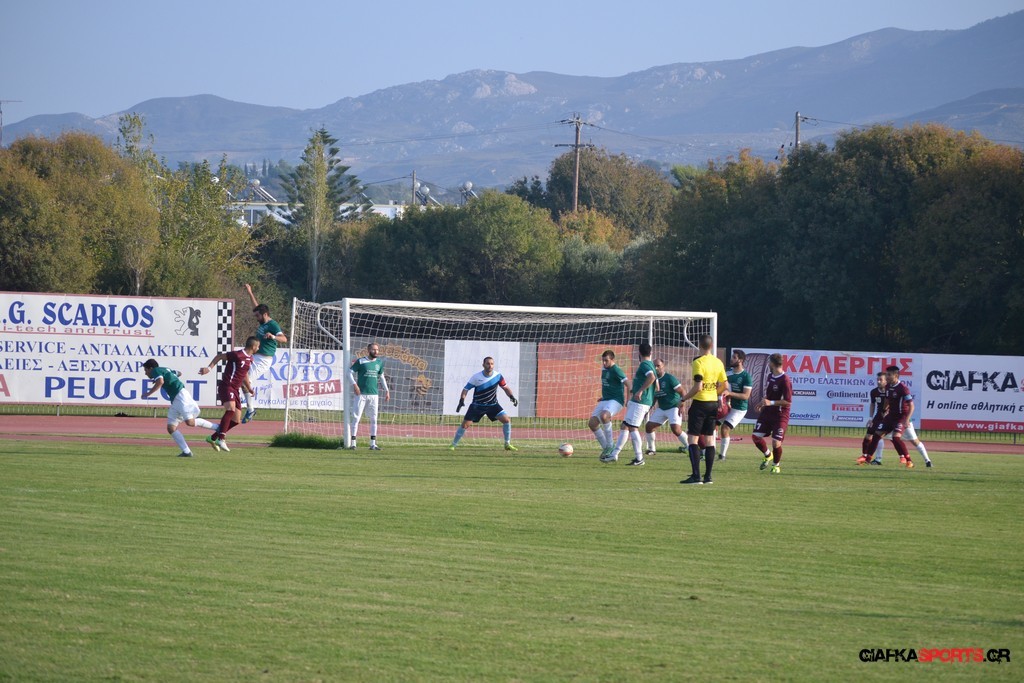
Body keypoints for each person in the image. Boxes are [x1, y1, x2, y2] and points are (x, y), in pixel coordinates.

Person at [142, 359, 220, 457]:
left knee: (190, 422)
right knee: (171, 427)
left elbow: (160, 381)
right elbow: (179, 373)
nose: (145, 373)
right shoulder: (165, 369)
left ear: (151, 368)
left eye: (146, 370)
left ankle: (218, 427)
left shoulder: (156, 370)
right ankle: (186, 452)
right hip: (175, 400)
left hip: (180, 396)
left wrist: (148, 393)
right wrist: (169, 377)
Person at [679, 334, 729, 484]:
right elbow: (725, 385)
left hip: (700, 404)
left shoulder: (698, 362)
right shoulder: (718, 362)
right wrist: (714, 393)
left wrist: (683, 399)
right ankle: (708, 477)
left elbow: (698, 387)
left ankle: (696, 476)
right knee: (709, 440)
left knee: (692, 439)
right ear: (711, 346)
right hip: (713, 404)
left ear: (699, 345)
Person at [199, 336, 262, 452]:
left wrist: (249, 388)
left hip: (235, 389)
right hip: (227, 386)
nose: (258, 348)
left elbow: (244, 374)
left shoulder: (250, 359)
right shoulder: (237, 355)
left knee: (236, 420)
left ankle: (212, 438)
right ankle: (221, 439)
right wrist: (209, 368)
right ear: (253, 346)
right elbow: (219, 357)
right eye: (258, 346)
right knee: (231, 409)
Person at [602, 342, 657, 466]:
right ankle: (614, 454)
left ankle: (639, 458)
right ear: (651, 353)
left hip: (641, 402)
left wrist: (641, 391)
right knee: (625, 426)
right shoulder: (651, 364)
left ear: (639, 353)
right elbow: (656, 384)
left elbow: (652, 377)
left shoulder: (645, 364)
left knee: (632, 428)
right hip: (640, 401)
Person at [240, 284, 288, 423]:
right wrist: (250, 292)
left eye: (257, 316)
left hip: (263, 359)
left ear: (265, 314)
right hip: (255, 356)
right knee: (242, 379)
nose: (256, 318)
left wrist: (273, 336)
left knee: (245, 381)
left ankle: (250, 409)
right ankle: (250, 409)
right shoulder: (263, 321)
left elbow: (284, 339)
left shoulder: (272, 325)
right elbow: (257, 307)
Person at [449, 357, 519, 451]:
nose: (490, 366)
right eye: (488, 363)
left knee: (506, 420)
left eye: (492, 364)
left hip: (492, 405)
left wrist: (512, 397)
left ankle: (507, 444)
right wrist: (462, 400)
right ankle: (453, 445)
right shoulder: (476, 377)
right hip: (477, 405)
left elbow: (505, 388)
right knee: (465, 425)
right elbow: (466, 389)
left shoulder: (498, 376)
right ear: (483, 365)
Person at [864, 365, 919, 469]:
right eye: (887, 374)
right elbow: (887, 399)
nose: (887, 377)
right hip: (890, 416)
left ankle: (909, 461)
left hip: (901, 417)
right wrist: (884, 410)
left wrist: (907, 419)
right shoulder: (888, 386)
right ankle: (867, 460)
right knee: (877, 435)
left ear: (896, 375)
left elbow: (912, 405)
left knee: (896, 437)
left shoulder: (903, 388)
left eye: (889, 375)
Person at [752, 353, 793, 474]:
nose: (768, 365)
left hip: (780, 415)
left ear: (773, 364)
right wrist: (762, 402)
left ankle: (776, 465)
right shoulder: (770, 376)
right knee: (756, 437)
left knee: (776, 442)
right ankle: (768, 455)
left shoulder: (785, 380)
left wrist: (770, 402)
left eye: (769, 362)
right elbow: (769, 396)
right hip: (767, 412)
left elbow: (788, 402)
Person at [348, 342, 390, 450]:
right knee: (356, 417)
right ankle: (353, 443)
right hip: (361, 394)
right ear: (368, 350)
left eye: (377, 349)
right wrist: (355, 385)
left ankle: (373, 444)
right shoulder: (361, 361)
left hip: (374, 395)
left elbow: (382, 377)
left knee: (374, 418)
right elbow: (349, 373)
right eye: (373, 349)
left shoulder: (379, 362)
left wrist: (387, 390)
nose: (376, 351)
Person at [589, 349, 628, 458]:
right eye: (603, 360)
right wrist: (604, 396)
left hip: (616, 400)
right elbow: (609, 385)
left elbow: (629, 384)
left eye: (606, 360)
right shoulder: (604, 369)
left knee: (604, 416)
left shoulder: (617, 370)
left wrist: (628, 400)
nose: (604, 363)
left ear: (612, 359)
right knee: (592, 423)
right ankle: (606, 448)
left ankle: (610, 445)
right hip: (606, 399)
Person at [644, 358, 687, 456]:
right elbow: (655, 397)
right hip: (662, 408)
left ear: (663, 366)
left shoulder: (669, 378)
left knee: (676, 429)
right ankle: (651, 449)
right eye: (654, 366)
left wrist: (682, 404)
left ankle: (689, 446)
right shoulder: (652, 380)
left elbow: (682, 391)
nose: (656, 368)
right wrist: (648, 409)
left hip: (674, 406)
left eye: (658, 366)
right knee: (649, 426)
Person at [717, 349, 754, 461]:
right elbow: (723, 389)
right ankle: (707, 451)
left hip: (739, 409)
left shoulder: (746, 376)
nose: (731, 359)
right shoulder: (727, 374)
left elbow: (746, 396)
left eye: (734, 357)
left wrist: (730, 394)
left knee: (725, 428)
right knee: (711, 424)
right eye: (732, 357)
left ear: (740, 360)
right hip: (727, 406)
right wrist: (724, 400)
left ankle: (722, 456)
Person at [857, 372, 888, 465]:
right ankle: (864, 456)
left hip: (888, 417)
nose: (878, 381)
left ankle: (878, 459)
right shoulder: (874, 392)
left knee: (878, 436)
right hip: (878, 416)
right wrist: (871, 418)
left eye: (881, 380)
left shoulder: (890, 391)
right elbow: (873, 404)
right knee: (868, 436)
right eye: (877, 380)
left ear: (886, 381)